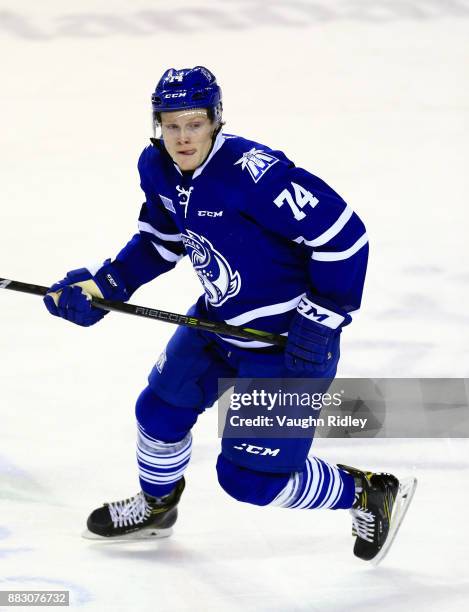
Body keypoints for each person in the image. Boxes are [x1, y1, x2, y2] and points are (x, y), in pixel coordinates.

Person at [43, 66, 415, 563]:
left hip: (285, 348)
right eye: (170, 125)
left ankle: (368, 491)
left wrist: (323, 316)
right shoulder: (156, 167)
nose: (181, 137)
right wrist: (108, 282)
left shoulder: (253, 174)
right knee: (158, 412)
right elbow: (161, 239)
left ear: (216, 119)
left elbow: (345, 238)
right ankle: (158, 507)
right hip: (217, 325)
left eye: (193, 124)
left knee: (249, 481)